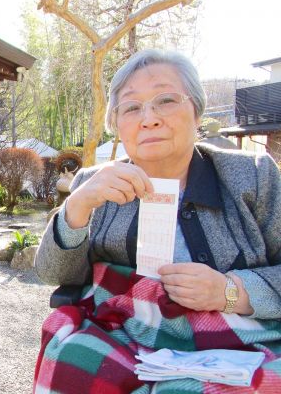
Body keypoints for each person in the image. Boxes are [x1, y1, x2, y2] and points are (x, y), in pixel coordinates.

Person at [34, 49, 281, 393]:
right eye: (132, 107)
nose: (148, 118)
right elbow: (54, 275)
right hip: (124, 332)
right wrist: (78, 205)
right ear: (117, 126)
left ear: (196, 112)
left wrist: (229, 291)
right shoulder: (93, 183)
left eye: (166, 100)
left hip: (241, 340)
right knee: (74, 362)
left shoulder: (253, 177)